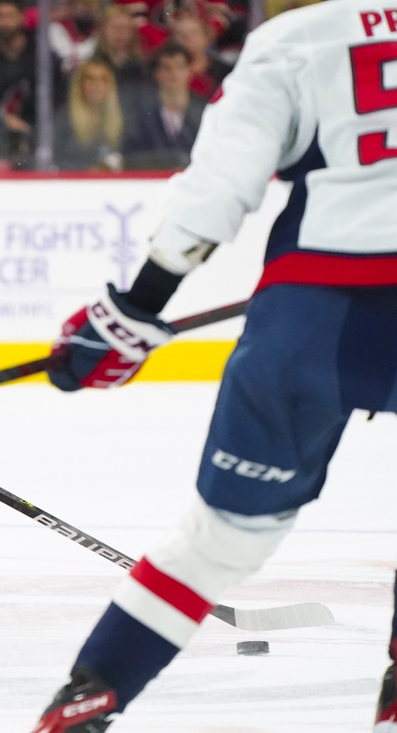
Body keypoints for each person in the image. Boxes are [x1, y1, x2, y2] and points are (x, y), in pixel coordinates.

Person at [32, 0, 397, 729]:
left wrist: (133, 310)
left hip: (317, 317)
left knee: (220, 540)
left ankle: (92, 696)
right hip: (319, 305)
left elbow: (217, 189)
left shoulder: (296, 36)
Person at [0, 0, 64, 145]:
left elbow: (57, 98)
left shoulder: (42, 56)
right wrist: (0, 120)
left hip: (39, 136)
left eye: (10, 16)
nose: (5, 22)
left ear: (22, 17)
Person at [122, 41, 206, 169]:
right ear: (156, 73)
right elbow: (130, 154)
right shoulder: (139, 112)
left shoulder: (203, 110)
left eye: (180, 67)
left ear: (190, 70)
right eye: (167, 68)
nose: (174, 74)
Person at [53, 59, 123, 171]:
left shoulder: (123, 119)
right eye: (90, 79)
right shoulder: (63, 119)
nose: (97, 85)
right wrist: (87, 170)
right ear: (79, 85)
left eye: (103, 80)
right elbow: (52, 161)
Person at [170, 11, 233, 100]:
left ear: (206, 38)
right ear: (173, 40)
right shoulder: (165, 72)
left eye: (194, 33)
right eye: (181, 35)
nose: (188, 38)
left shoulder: (225, 71)